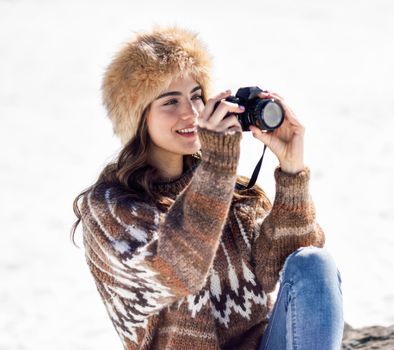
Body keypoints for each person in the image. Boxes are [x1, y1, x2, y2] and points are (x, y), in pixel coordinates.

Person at [71, 26, 344, 350]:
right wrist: (217, 167)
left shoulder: (228, 189)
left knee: (314, 262)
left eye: (197, 96)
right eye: (170, 101)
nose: (191, 112)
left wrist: (291, 169)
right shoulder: (109, 208)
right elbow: (174, 273)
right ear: (137, 117)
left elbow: (286, 271)